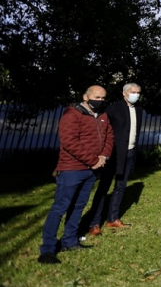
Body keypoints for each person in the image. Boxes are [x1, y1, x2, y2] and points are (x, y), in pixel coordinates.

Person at [38, 85, 114, 264]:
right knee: (60, 207)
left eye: (103, 98)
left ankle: (69, 241)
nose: (100, 100)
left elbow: (109, 136)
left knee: (79, 206)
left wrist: (103, 156)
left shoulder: (102, 115)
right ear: (86, 97)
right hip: (72, 169)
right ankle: (48, 249)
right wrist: (92, 159)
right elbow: (69, 141)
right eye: (97, 97)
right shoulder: (72, 114)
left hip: (91, 170)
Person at [88, 83, 143, 236]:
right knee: (104, 188)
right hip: (113, 154)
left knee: (120, 186)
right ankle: (94, 222)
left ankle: (113, 218)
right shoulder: (113, 108)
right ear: (124, 93)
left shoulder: (138, 109)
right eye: (133, 92)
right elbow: (104, 131)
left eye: (138, 92)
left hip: (130, 153)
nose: (136, 95)